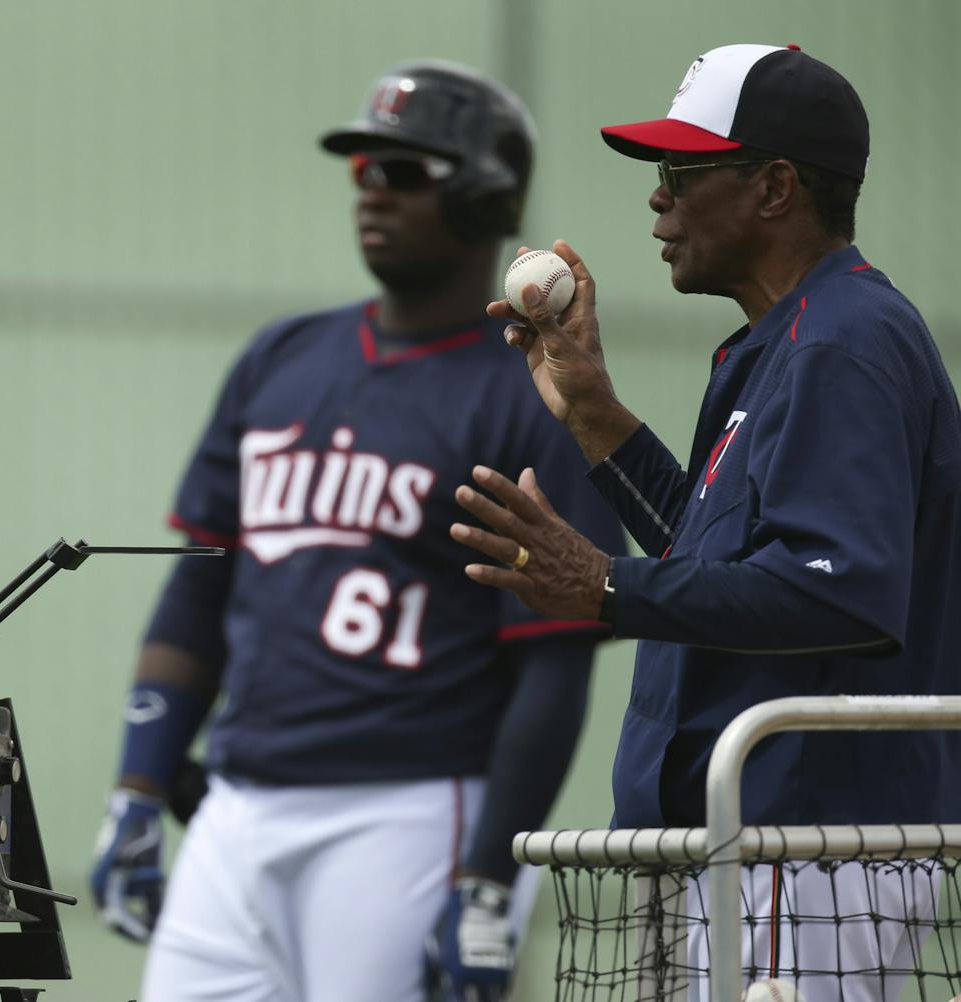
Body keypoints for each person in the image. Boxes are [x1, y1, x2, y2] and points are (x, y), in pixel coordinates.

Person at [87, 61, 626, 1002]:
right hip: (237, 806)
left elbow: (553, 658)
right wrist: (140, 784)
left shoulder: (533, 395)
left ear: (486, 192)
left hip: (412, 812)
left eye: (404, 172)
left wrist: (488, 875)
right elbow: (200, 584)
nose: (372, 192)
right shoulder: (280, 358)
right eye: (362, 170)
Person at [450, 43, 961, 1002]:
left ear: (774, 188)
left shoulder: (844, 341)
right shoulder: (788, 338)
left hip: (810, 850)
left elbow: (839, 592)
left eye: (681, 173)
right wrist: (597, 415)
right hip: (760, 844)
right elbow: (719, 560)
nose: (657, 200)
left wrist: (602, 586)